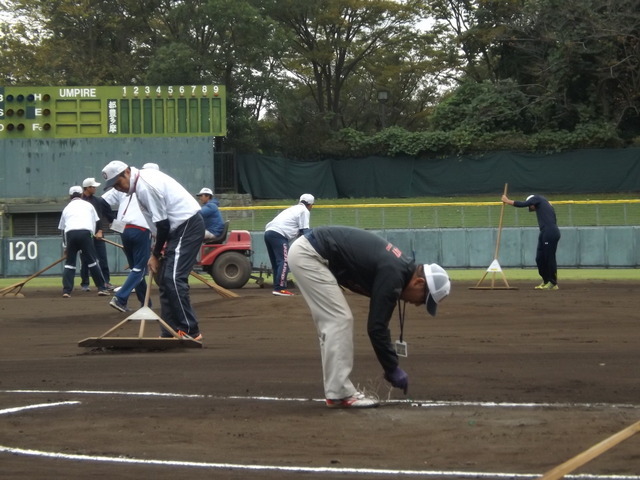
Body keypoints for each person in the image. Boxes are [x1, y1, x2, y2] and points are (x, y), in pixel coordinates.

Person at [288, 226, 451, 409]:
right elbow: (376, 327)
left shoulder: (398, 271)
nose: (418, 304)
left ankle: (336, 391)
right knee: (339, 319)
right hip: (310, 255)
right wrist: (392, 368)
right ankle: (339, 394)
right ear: (419, 282)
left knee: (335, 320)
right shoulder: (394, 275)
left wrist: (391, 365)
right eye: (423, 299)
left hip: (310, 253)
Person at [101, 160, 205, 340]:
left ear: (127, 172)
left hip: (187, 226)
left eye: (118, 183)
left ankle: (190, 331)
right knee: (164, 280)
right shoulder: (138, 186)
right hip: (175, 231)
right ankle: (170, 331)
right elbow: (161, 225)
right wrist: (160, 248)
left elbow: (163, 224)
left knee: (173, 278)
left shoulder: (145, 186)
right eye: (114, 186)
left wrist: (155, 254)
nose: (118, 188)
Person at [102, 187, 152, 313]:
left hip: (123, 229)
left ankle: (146, 303)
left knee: (135, 268)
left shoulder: (125, 186)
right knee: (140, 269)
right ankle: (120, 298)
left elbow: (102, 201)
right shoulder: (154, 188)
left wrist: (112, 220)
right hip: (141, 229)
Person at [58, 186, 110, 298]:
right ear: (81, 195)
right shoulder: (89, 205)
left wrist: (65, 247)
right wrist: (93, 235)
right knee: (93, 262)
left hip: (70, 234)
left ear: (70, 196)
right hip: (86, 234)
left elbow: (62, 229)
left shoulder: (66, 208)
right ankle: (101, 288)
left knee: (69, 264)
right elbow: (94, 222)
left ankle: (66, 291)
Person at [502, 193, 561, 290]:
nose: (531, 208)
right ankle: (546, 280)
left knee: (549, 258)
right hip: (544, 232)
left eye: (530, 206)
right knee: (539, 258)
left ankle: (553, 283)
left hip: (550, 232)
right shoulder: (544, 205)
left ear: (532, 201)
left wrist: (507, 201)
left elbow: (523, 204)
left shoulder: (538, 198)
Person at [264, 194, 314, 296]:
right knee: (285, 261)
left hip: (268, 233)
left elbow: (299, 233)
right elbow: (305, 231)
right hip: (279, 234)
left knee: (277, 263)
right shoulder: (304, 211)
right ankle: (280, 289)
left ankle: (277, 287)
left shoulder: (293, 209)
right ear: (310, 205)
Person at [79, 177, 115, 291]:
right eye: (93, 187)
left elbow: (102, 217)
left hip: (98, 234)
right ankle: (85, 284)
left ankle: (106, 282)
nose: (95, 188)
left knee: (102, 258)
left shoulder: (98, 201)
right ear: (87, 188)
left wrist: (100, 230)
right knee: (85, 260)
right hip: (84, 234)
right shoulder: (79, 202)